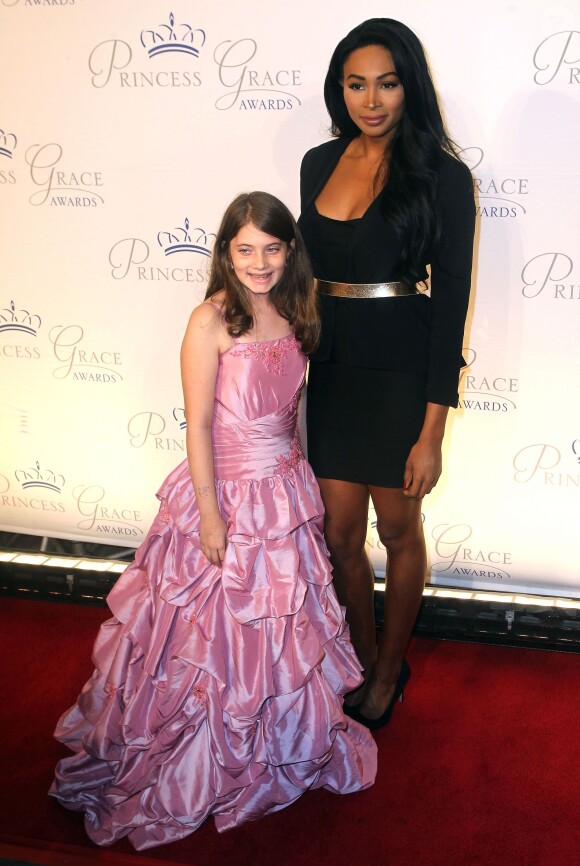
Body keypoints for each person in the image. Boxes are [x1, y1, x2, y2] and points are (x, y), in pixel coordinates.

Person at [49, 192, 377, 850]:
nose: (259, 262)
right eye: (245, 249)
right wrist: (208, 514)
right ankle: (202, 756)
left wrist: (305, 488)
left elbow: (295, 414)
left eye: (273, 248)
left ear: (291, 252)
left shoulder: (294, 311)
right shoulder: (210, 320)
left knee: (285, 636)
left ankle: (277, 746)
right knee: (210, 645)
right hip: (225, 492)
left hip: (284, 490)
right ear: (226, 254)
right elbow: (198, 424)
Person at [298, 19, 476, 730]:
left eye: (387, 82)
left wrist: (432, 430)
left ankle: (389, 669)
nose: (371, 99)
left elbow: (453, 302)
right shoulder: (318, 162)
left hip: (401, 372)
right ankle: (365, 657)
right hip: (333, 371)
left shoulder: (442, 175)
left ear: (410, 86)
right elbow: (299, 276)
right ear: (339, 90)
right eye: (356, 83)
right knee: (339, 534)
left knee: (399, 529)